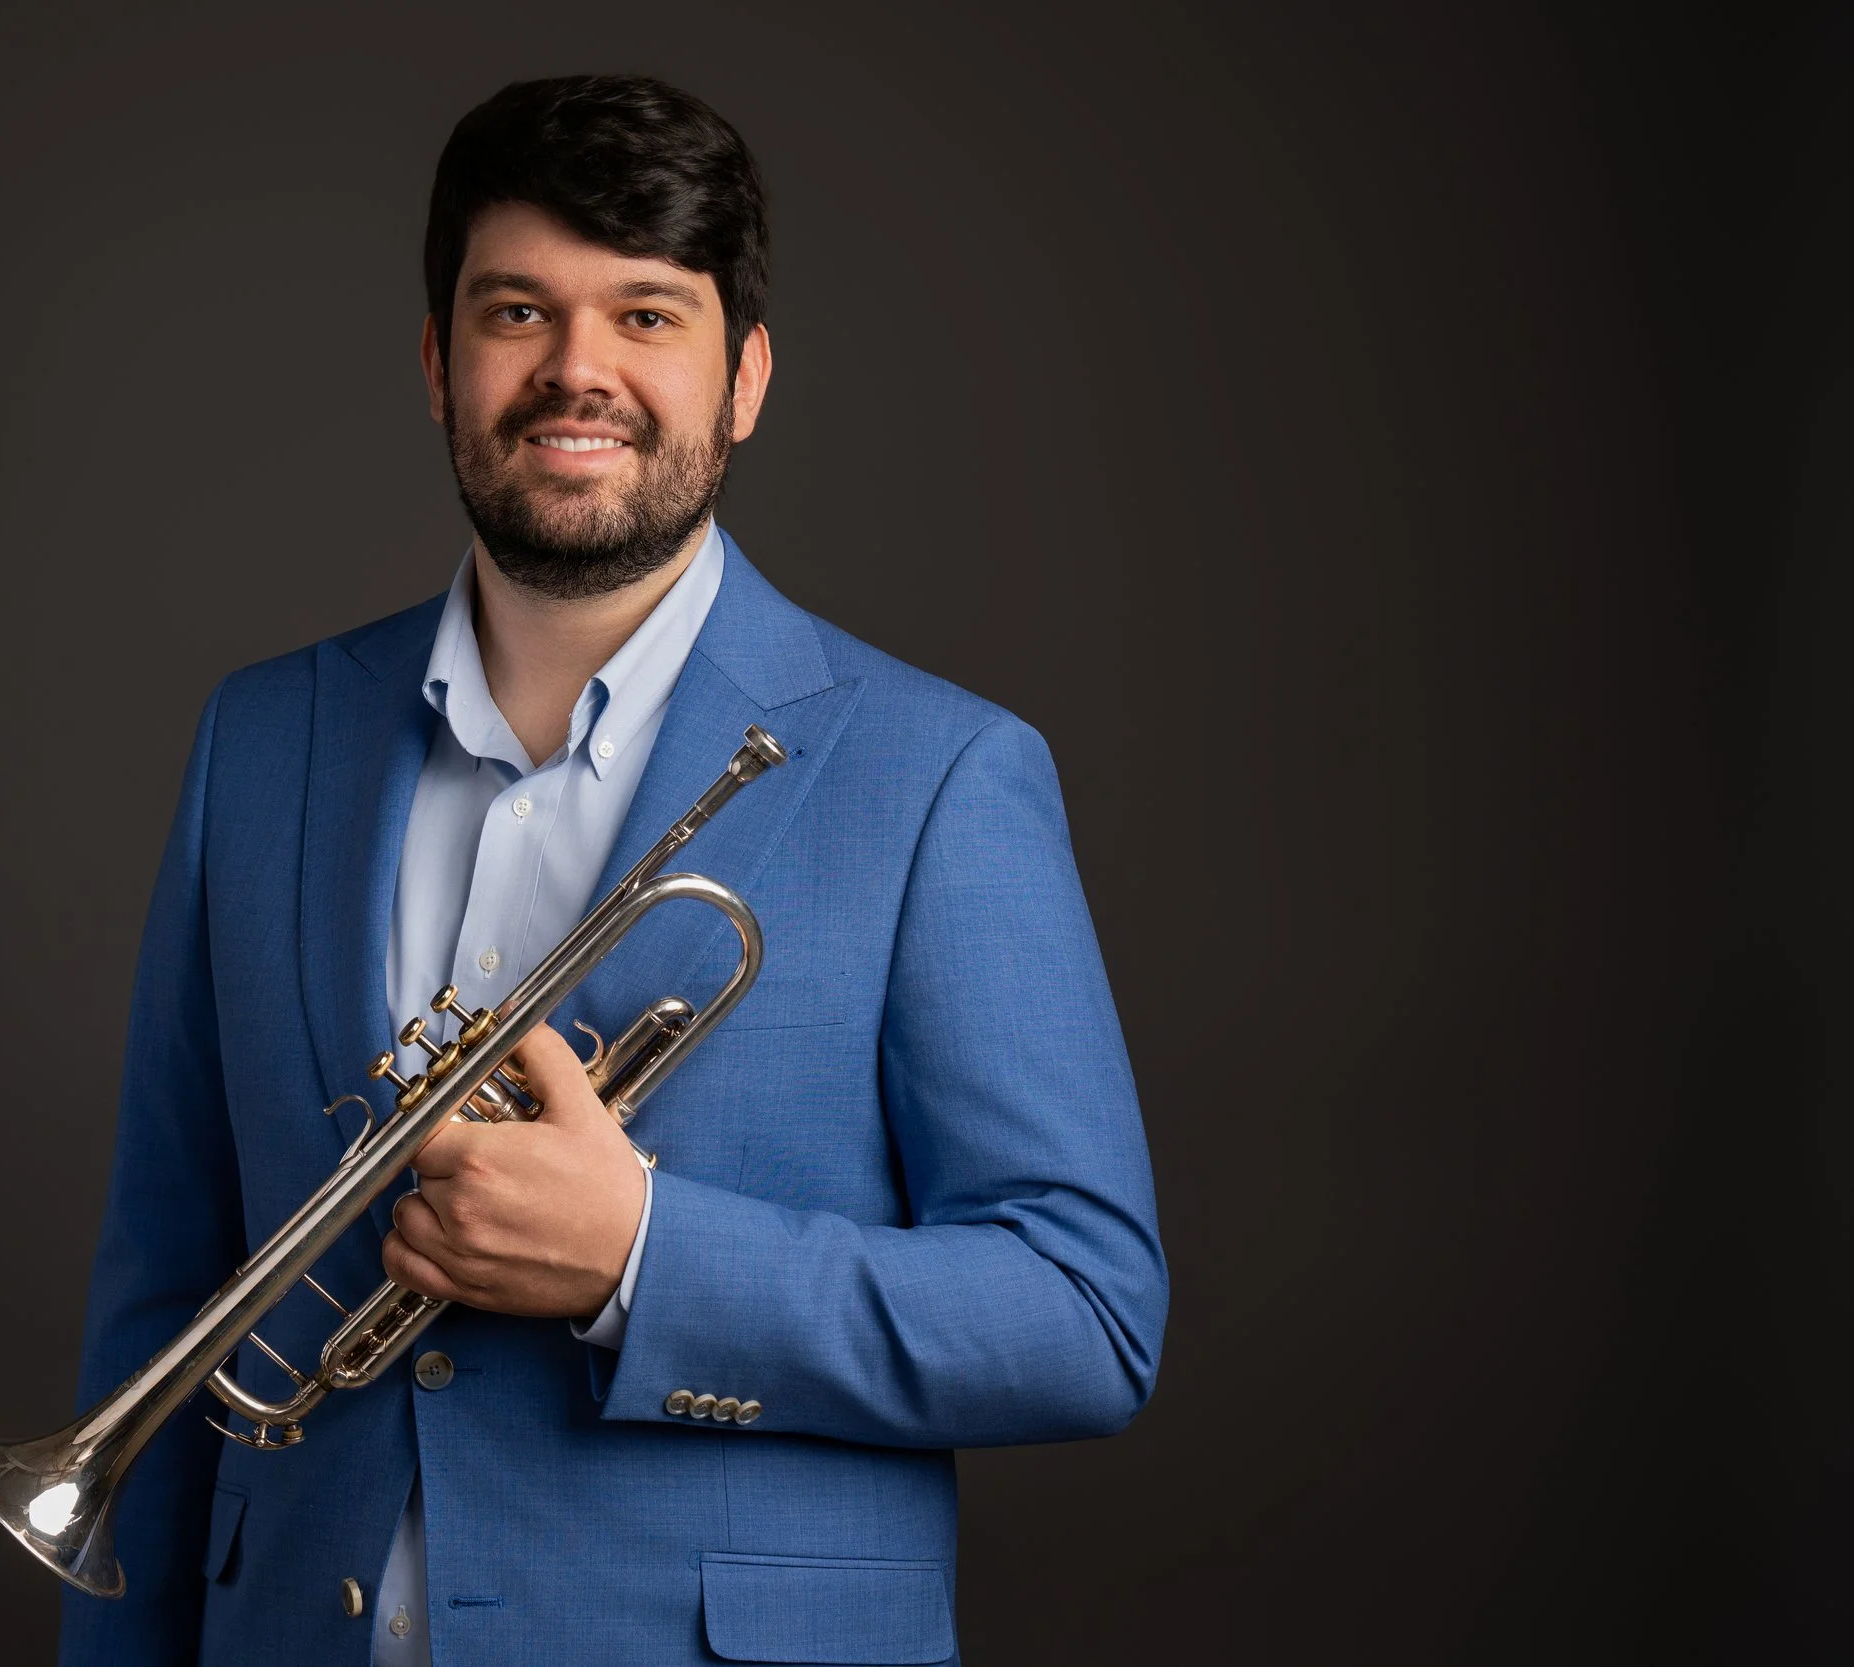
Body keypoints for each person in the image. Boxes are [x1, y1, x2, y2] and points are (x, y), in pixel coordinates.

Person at [58, 74, 1166, 1667]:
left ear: (746, 381)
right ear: (440, 364)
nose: (578, 371)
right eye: (520, 310)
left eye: (648, 315)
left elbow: (1086, 1315)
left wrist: (640, 1256)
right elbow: (170, 1295)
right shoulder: (262, 739)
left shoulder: (942, 774)